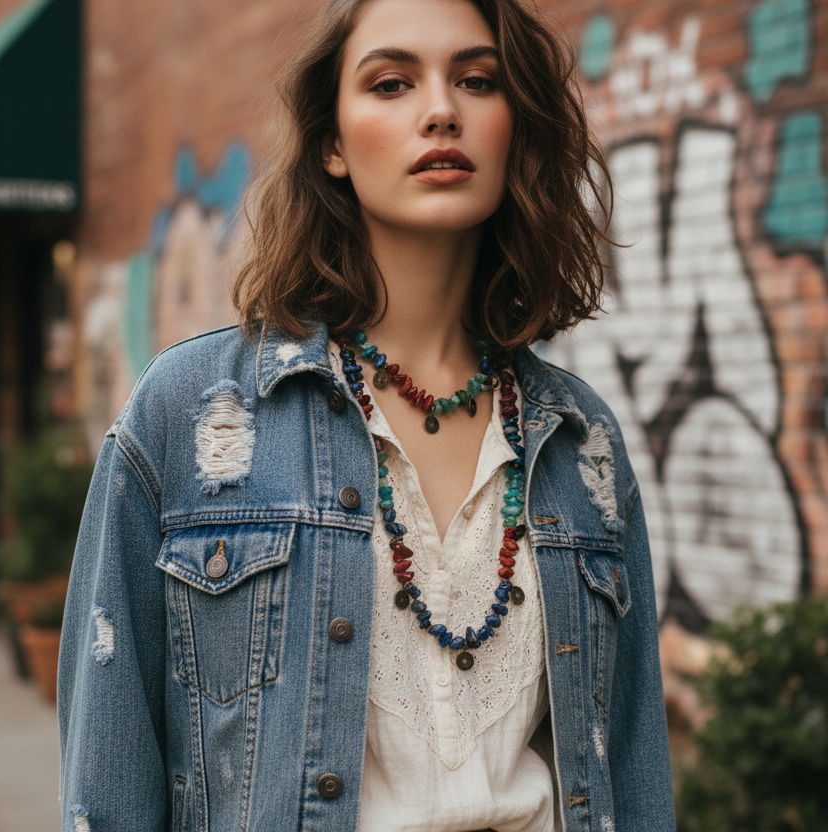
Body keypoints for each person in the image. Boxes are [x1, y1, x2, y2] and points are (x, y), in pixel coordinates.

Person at [58, 0, 675, 829]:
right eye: (391, 82)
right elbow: (109, 781)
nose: (440, 109)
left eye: (477, 80)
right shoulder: (192, 416)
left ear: (514, 127)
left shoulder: (582, 443)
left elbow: (632, 773)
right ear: (333, 144)